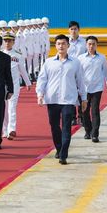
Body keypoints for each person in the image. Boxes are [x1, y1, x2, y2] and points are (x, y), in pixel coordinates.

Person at [36, 34, 87, 165]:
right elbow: (42, 79)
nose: (61, 46)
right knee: (54, 126)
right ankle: (59, 148)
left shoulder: (75, 63)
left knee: (66, 127)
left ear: (68, 46)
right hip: (52, 99)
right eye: (58, 44)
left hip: (68, 100)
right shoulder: (48, 62)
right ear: (55, 46)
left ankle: (63, 154)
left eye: (63, 43)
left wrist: (84, 98)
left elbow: (81, 81)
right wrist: (40, 94)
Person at [78, 36, 107, 142]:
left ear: (97, 45)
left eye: (93, 44)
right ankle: (88, 131)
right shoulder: (81, 58)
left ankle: (95, 134)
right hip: (84, 88)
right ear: (86, 45)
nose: (91, 46)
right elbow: (78, 74)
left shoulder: (102, 57)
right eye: (89, 44)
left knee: (95, 111)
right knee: (84, 111)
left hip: (97, 88)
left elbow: (106, 71)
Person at [2, 33, 31, 140]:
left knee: (11, 108)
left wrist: (28, 83)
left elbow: (22, 70)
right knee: (3, 109)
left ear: (13, 42)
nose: (7, 43)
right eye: (5, 41)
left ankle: (11, 129)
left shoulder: (18, 55)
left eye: (9, 41)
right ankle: (5, 130)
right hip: (2, 86)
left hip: (14, 85)